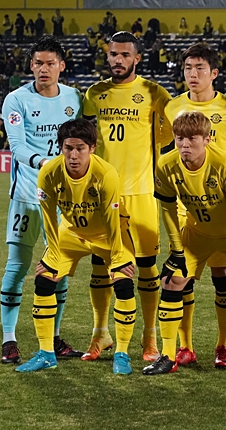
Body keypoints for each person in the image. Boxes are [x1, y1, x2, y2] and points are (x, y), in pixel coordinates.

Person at [163, 43, 226, 368]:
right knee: (183, 279)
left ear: (214, 73)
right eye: (188, 68)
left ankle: (224, 345)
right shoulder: (172, 107)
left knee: (225, 279)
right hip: (188, 208)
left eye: (200, 68)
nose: (193, 74)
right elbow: (163, 142)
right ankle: (184, 346)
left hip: (225, 205)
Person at [15, 118, 137, 374]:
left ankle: (122, 354)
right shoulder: (48, 173)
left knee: (123, 283)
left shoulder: (106, 174)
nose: (73, 155)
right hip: (70, 233)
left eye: (80, 148)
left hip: (108, 235)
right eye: (68, 148)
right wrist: (52, 255)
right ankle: (46, 353)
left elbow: (112, 221)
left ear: (92, 148)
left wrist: (118, 258)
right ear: (60, 147)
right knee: (44, 279)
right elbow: (49, 218)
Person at [145, 111, 226, 378]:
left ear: (207, 139)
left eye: (192, 138)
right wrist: (176, 249)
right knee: (171, 280)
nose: (185, 144)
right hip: (197, 232)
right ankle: (168, 355)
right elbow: (167, 208)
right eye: (180, 138)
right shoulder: (165, 163)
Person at [83, 31, 172, 363]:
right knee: (100, 265)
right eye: (113, 54)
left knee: (146, 267)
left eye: (124, 55)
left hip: (142, 192)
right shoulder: (94, 94)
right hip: (103, 195)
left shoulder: (154, 92)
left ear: (137, 58)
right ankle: (101, 333)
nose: (117, 60)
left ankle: (149, 337)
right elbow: (87, 137)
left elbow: (169, 132)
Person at [0, 36, 83, 365]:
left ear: (61, 66)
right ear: (31, 65)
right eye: (38, 63)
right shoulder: (16, 100)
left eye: (50, 63)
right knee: (18, 266)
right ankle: (9, 340)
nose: (43, 69)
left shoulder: (74, 98)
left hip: (62, 200)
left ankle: (55, 337)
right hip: (26, 196)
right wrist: (44, 163)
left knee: (59, 268)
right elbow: (17, 147)